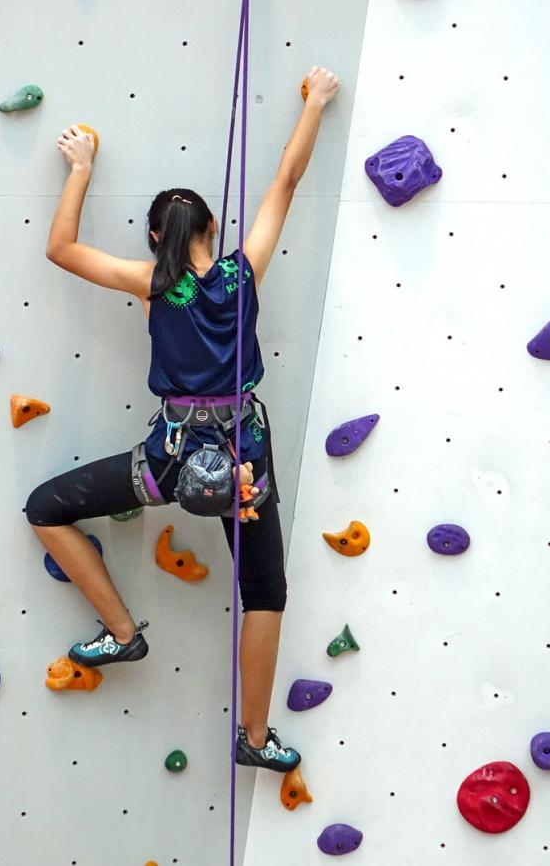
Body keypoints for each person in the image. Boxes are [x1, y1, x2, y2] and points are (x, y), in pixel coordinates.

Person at [25, 65, 340, 771]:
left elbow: (61, 250)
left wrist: (81, 168)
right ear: (210, 229)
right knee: (265, 591)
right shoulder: (242, 272)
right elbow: (284, 183)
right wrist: (315, 102)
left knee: (45, 507)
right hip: (242, 462)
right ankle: (254, 738)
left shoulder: (153, 284)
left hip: (169, 459)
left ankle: (121, 631)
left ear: (154, 239)